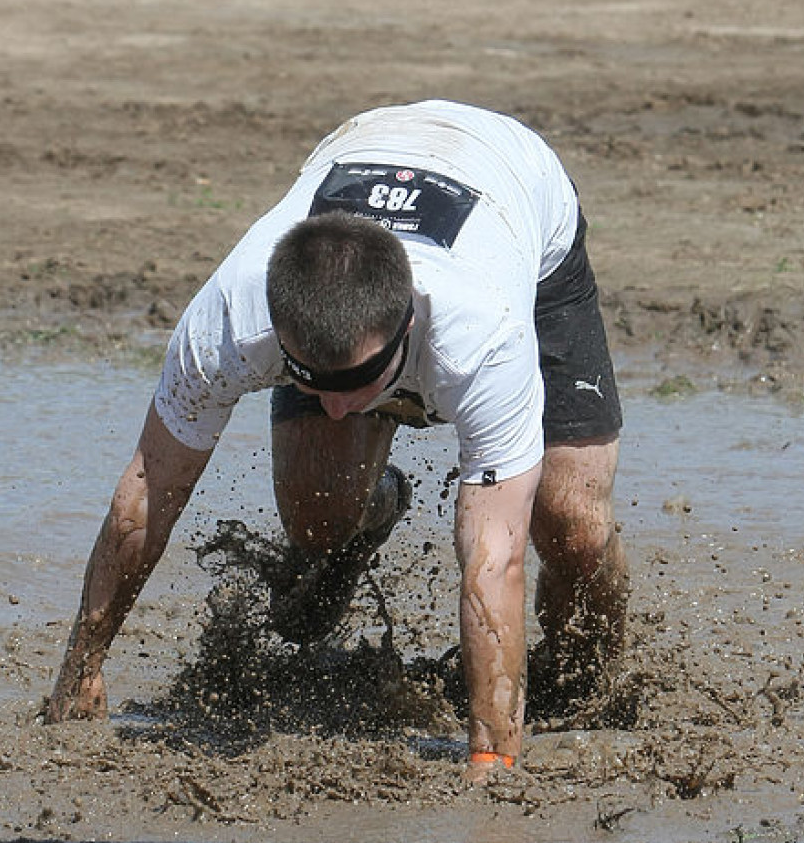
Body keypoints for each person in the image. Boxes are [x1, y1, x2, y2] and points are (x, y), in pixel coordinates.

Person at [44, 99, 626, 781]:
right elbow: (147, 491)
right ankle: (375, 505)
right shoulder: (232, 317)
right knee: (317, 519)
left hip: (516, 190)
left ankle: (594, 679)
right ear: (283, 331)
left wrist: (490, 756)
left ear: (408, 333)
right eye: (310, 379)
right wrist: (80, 668)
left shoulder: (483, 335)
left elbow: (491, 561)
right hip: (361, 157)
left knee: (569, 522)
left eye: (358, 382)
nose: (339, 406)